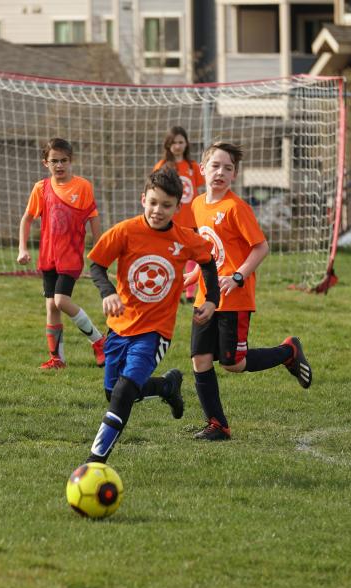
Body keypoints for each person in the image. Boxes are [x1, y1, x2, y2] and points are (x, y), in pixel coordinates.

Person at [83, 166, 220, 464]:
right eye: (153, 203)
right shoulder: (125, 231)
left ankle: (94, 463)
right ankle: (166, 386)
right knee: (114, 393)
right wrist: (108, 293)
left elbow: (208, 261)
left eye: (166, 206)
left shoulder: (184, 239)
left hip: (155, 332)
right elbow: (96, 265)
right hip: (119, 328)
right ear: (143, 199)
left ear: (177, 208)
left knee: (122, 393)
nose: (158, 210)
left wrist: (211, 299)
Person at [186, 141, 312, 441]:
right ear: (202, 170)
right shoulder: (196, 206)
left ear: (235, 175)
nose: (220, 172)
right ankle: (218, 424)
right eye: (215, 166)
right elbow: (208, 253)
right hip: (206, 297)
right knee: (200, 359)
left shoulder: (236, 208)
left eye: (228, 168)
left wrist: (239, 276)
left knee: (233, 363)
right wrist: (190, 277)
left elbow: (261, 247)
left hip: (234, 298)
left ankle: (288, 352)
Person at [17, 137, 106, 370]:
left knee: (61, 300)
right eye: (54, 161)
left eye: (64, 160)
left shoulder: (83, 187)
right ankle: (58, 359)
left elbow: (93, 218)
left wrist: (99, 247)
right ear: (45, 163)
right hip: (48, 256)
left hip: (70, 256)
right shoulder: (41, 188)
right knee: (51, 307)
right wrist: (22, 248)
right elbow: (26, 219)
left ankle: (99, 341)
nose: (59, 165)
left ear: (71, 161)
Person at [153, 126, 205, 304]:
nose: (177, 146)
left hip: (191, 218)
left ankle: (190, 293)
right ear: (168, 144)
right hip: (171, 219)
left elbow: (196, 190)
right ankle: (171, 290)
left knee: (192, 255)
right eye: (174, 142)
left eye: (181, 142)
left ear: (186, 144)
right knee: (172, 255)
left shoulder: (193, 167)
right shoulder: (162, 166)